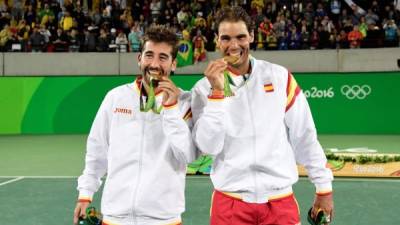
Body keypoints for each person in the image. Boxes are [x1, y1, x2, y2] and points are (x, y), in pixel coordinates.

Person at [191, 6, 334, 225]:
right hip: (229, 203)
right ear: (217, 41)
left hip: (279, 202)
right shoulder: (203, 89)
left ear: (252, 36)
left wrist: (323, 188)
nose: (234, 45)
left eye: (241, 37)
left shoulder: (279, 77)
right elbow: (208, 147)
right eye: (226, 38)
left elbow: (304, 135)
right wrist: (217, 94)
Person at [73, 25, 197, 225]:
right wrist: (85, 193)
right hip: (115, 217)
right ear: (139, 59)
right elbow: (97, 150)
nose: (154, 64)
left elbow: (187, 156)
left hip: (163, 219)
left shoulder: (185, 103)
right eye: (149, 55)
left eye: (163, 57)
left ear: (174, 64)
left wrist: (171, 108)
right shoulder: (116, 97)